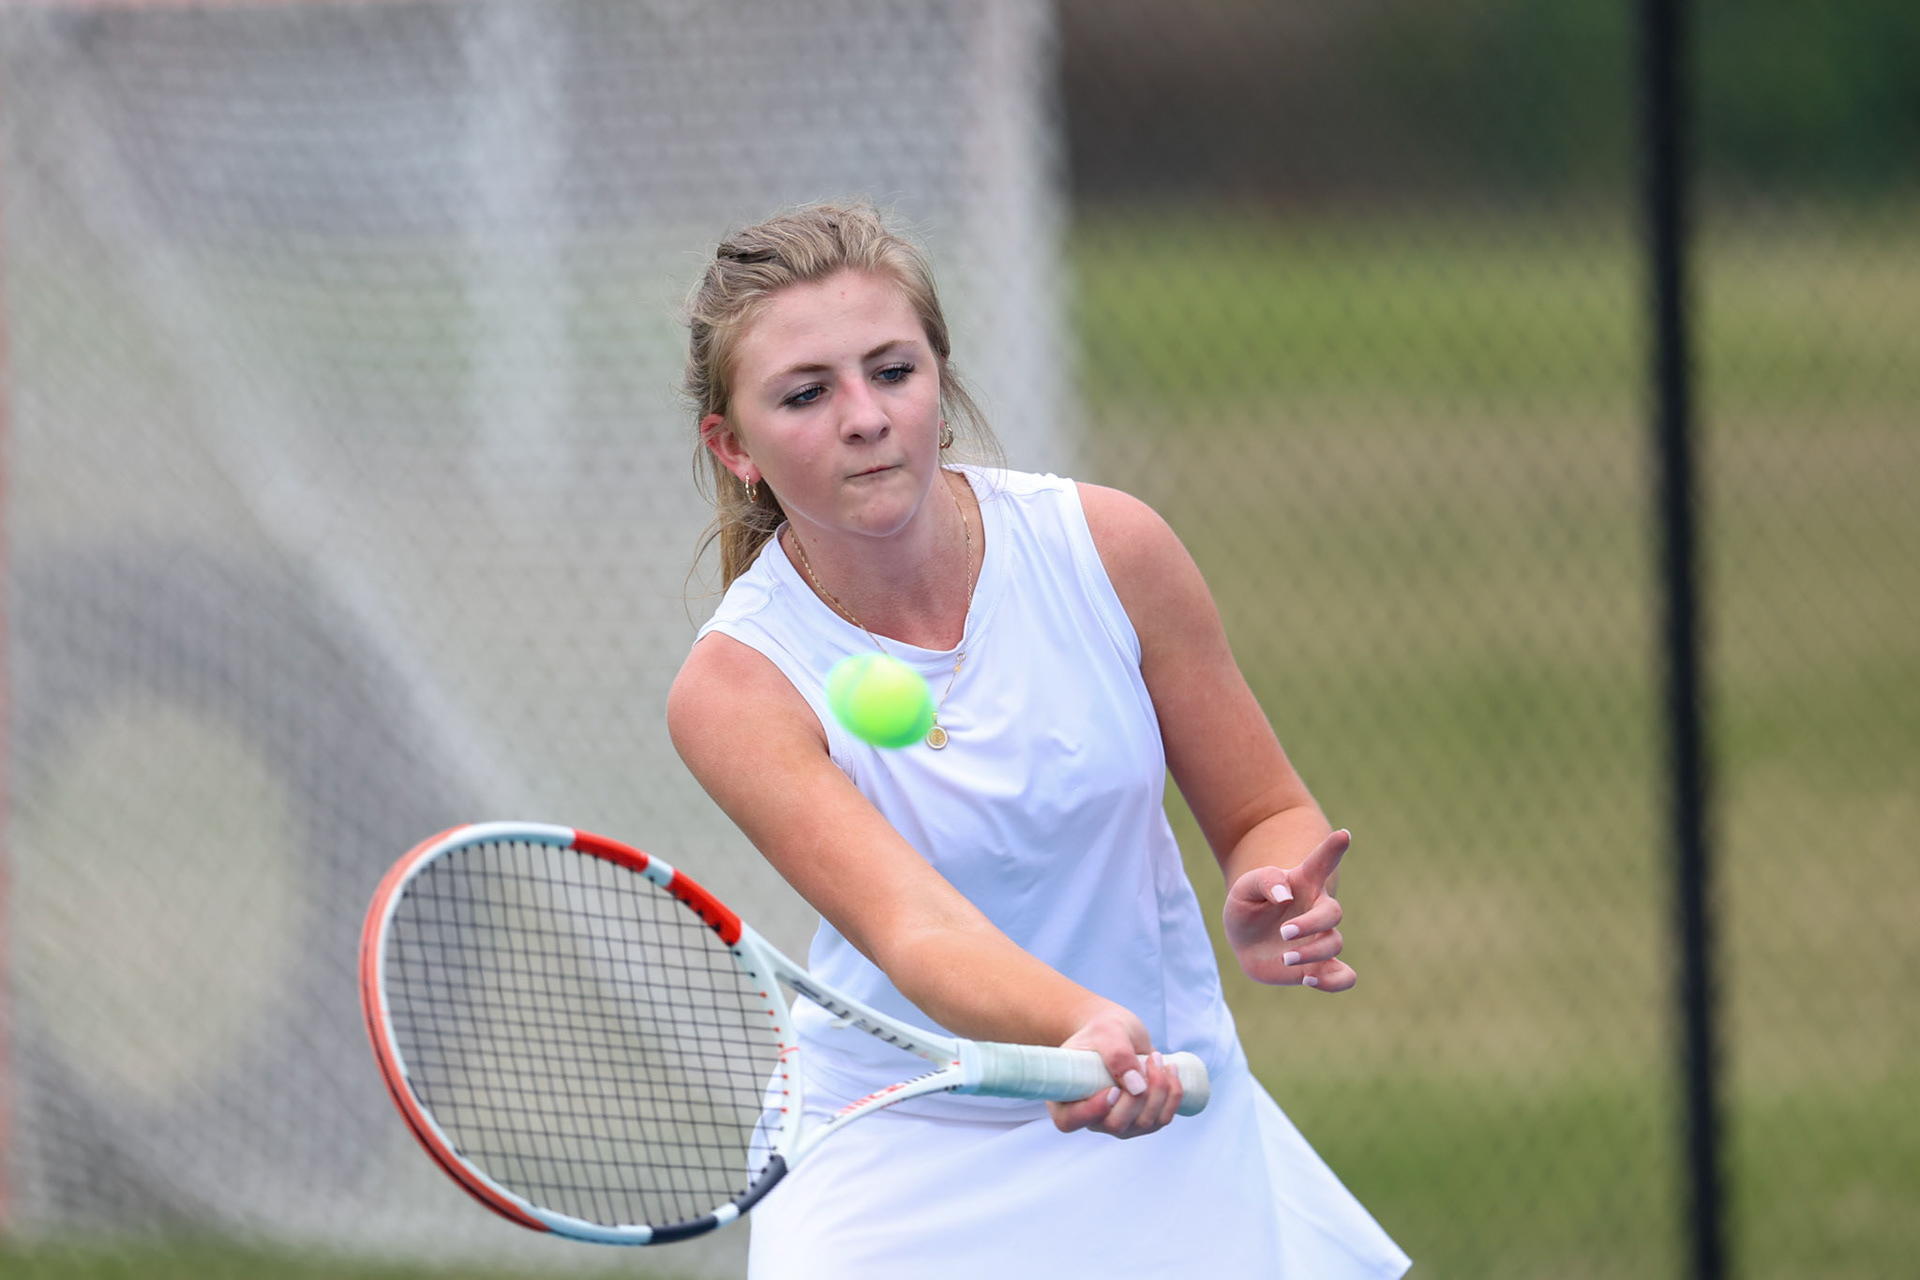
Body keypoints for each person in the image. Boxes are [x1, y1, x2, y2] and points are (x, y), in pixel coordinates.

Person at [668, 202, 1410, 1278]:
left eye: (892, 370)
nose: (866, 416)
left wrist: (1271, 887)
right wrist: (1080, 1025)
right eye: (806, 392)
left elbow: (1263, 812)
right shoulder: (736, 682)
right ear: (732, 445)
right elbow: (918, 927)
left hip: (1158, 1108)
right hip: (898, 1143)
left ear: (941, 380)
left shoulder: (1109, 547)